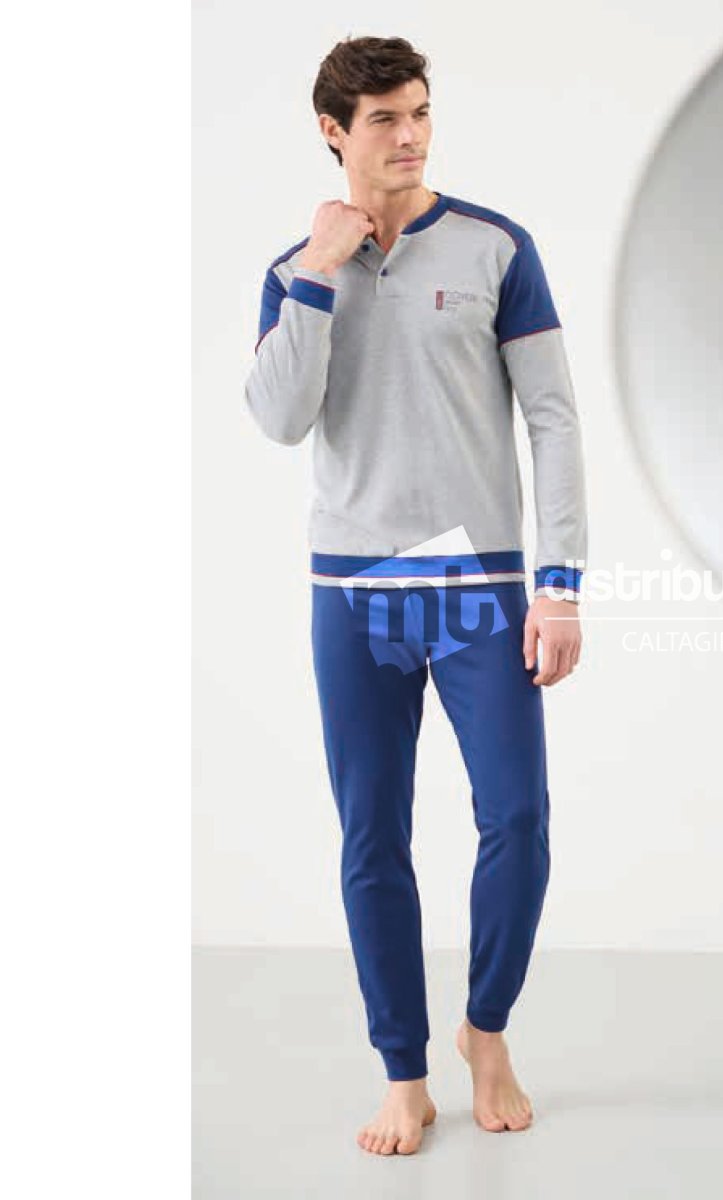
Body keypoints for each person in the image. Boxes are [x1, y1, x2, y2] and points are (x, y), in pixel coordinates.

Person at [243, 35, 587, 1157]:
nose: (411, 136)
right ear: (333, 131)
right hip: (355, 588)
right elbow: (280, 418)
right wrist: (319, 269)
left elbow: (552, 418)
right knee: (372, 835)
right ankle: (404, 1072)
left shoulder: (496, 246)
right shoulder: (296, 267)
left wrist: (559, 585)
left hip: (476, 581)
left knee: (518, 819)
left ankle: (486, 1029)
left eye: (421, 112)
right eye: (385, 118)